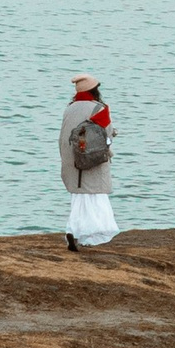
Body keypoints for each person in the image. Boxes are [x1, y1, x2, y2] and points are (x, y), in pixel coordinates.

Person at [59, 73, 118, 252]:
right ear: (94, 90)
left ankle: (73, 230)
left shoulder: (69, 108)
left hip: (72, 160)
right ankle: (90, 235)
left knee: (79, 197)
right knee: (96, 197)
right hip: (92, 159)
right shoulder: (99, 108)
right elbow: (106, 134)